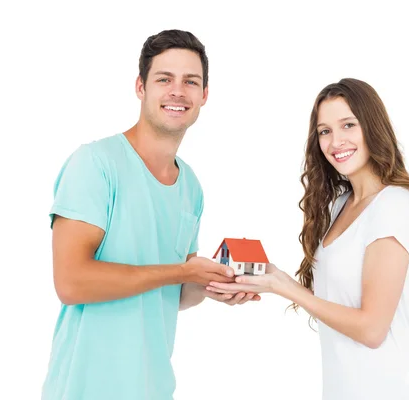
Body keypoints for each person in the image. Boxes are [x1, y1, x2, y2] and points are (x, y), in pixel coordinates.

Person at [41, 30, 259, 400]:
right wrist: (181, 271)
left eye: (191, 81)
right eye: (164, 79)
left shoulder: (190, 185)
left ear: (204, 95)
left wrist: (210, 285)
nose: (178, 91)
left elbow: (177, 294)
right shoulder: (95, 165)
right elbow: (71, 282)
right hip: (85, 389)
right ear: (141, 87)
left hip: (153, 388)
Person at [207, 78, 409, 399]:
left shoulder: (394, 205)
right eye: (325, 131)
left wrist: (285, 288)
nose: (336, 141)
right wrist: (272, 277)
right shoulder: (340, 206)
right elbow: (339, 304)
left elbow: (372, 330)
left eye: (348, 125)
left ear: (372, 127)